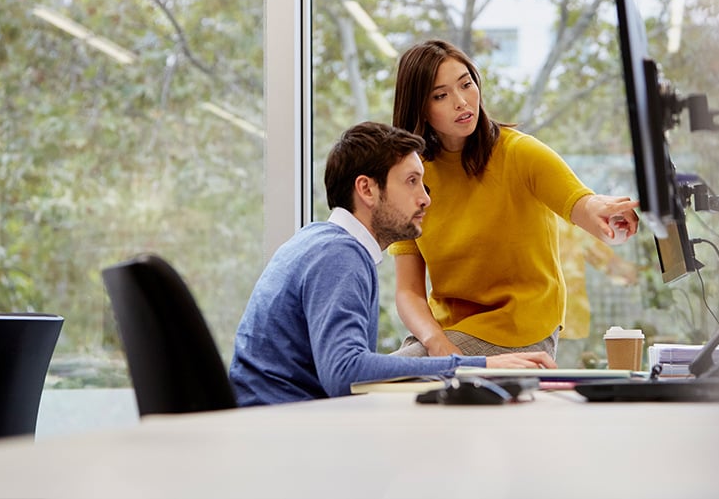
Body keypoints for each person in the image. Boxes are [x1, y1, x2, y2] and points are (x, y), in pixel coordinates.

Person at [229, 121, 555, 406]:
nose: (426, 198)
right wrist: (477, 366)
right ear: (367, 189)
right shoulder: (339, 256)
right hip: (281, 432)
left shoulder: (320, 241)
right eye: (411, 181)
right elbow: (344, 373)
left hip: (281, 422)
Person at [389, 39, 641, 361]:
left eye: (466, 85)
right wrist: (435, 340)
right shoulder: (414, 177)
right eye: (441, 95)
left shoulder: (519, 153)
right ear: (419, 108)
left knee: (383, 375)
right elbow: (407, 290)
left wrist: (608, 215)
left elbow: (581, 203)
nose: (462, 102)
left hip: (518, 328)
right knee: (381, 376)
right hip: (442, 332)